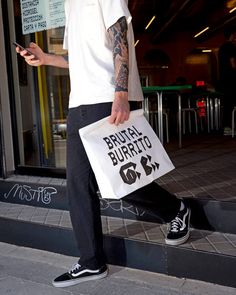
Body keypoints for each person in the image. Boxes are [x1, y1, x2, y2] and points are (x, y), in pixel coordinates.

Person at [17, 0, 191, 288]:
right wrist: (46, 58)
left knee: (119, 181)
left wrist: (121, 93)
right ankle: (91, 262)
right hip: (79, 103)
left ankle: (175, 210)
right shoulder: (70, 6)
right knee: (77, 184)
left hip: (108, 99)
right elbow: (82, 60)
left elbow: (119, 35)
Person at [218, 27, 236, 135]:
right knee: (231, 103)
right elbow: (233, 63)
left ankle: (226, 127)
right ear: (231, 35)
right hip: (232, 79)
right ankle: (229, 127)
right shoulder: (231, 47)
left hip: (224, 79)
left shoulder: (221, 48)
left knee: (227, 104)